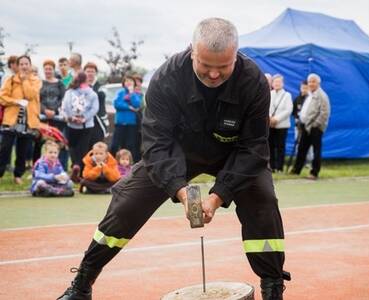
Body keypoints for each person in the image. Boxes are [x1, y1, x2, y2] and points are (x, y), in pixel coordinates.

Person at [57, 18, 289, 300]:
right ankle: (82, 283)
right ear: (192, 51)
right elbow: (156, 144)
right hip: (178, 152)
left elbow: (254, 147)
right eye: (206, 65)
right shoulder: (166, 77)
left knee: (263, 199)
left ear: (236, 56)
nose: (214, 75)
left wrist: (218, 196)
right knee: (127, 202)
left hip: (235, 152)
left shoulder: (252, 81)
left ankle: (273, 286)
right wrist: (180, 191)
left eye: (223, 67)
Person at [0, 55, 41, 185]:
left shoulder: (35, 80)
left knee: (22, 150)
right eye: (21, 64)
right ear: (17, 66)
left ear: (30, 65)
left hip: (28, 121)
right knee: (5, 148)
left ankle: (18, 174)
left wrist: (24, 81)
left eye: (26, 64)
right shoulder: (10, 80)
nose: (24, 66)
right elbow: (2, 97)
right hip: (11, 119)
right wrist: (16, 101)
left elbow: (31, 95)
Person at [291, 73, 331, 180]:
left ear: (318, 83)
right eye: (309, 81)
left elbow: (325, 113)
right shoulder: (310, 94)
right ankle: (296, 170)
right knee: (302, 148)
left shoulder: (322, 95)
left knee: (316, 150)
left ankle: (314, 173)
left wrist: (315, 125)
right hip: (305, 126)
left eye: (313, 81)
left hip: (315, 127)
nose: (311, 83)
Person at [61, 71, 99, 177]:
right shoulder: (92, 93)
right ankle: (80, 169)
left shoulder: (69, 92)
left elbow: (64, 106)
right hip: (86, 125)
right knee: (83, 148)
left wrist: (70, 117)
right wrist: (84, 118)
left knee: (72, 147)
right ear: (86, 80)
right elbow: (95, 108)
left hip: (71, 124)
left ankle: (75, 165)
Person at [33, 59, 67, 168]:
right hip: (42, 117)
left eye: (50, 69)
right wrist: (44, 110)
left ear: (54, 69)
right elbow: (36, 99)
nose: (48, 71)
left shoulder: (60, 83)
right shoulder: (39, 82)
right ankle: (37, 166)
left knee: (58, 142)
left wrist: (54, 111)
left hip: (56, 118)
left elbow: (63, 99)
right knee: (39, 143)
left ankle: (58, 166)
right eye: (46, 69)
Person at [110, 74, 142, 161]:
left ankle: (129, 165)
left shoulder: (136, 94)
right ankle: (112, 163)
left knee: (130, 145)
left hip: (131, 124)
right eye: (127, 81)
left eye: (131, 81)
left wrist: (131, 93)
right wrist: (129, 107)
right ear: (123, 83)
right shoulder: (120, 93)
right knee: (115, 145)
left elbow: (137, 104)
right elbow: (117, 104)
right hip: (120, 123)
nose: (128, 83)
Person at [268, 74, 293, 173]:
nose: (277, 84)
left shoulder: (287, 95)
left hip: (282, 125)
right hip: (270, 124)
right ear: (272, 83)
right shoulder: (270, 93)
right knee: (270, 146)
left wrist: (276, 119)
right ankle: (272, 167)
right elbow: (266, 107)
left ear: (282, 83)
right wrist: (270, 118)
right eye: (275, 82)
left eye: (279, 82)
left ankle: (280, 167)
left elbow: (288, 110)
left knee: (280, 147)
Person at [84, 62, 109, 148]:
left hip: (98, 121)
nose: (90, 74)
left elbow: (101, 96)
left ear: (95, 73)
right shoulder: (80, 85)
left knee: (97, 147)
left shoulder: (101, 86)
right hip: (84, 121)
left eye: (92, 71)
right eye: (88, 71)